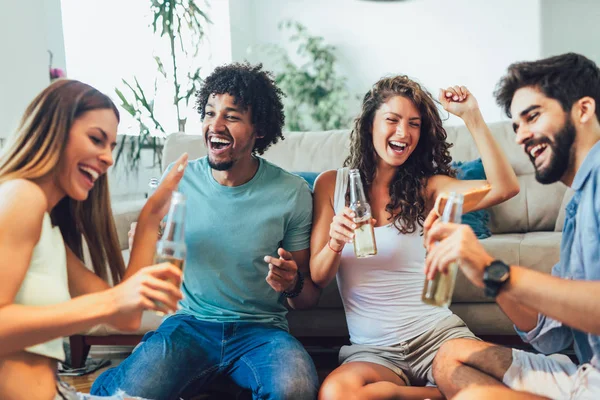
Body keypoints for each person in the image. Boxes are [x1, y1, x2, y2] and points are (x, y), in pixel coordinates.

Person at [92, 62, 321, 400]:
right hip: (189, 326)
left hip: (261, 332)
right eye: (210, 113)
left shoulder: (292, 192)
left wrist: (292, 283)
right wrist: (143, 243)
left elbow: (307, 298)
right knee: (125, 393)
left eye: (232, 116)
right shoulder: (178, 178)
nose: (216, 125)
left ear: (258, 130)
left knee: (296, 390)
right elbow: (152, 259)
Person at [310, 75, 520, 400]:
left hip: (436, 338)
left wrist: (472, 116)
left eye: (414, 124)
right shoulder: (331, 186)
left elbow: (505, 187)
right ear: (370, 126)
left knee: (482, 390)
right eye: (392, 120)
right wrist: (335, 242)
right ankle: (435, 393)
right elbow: (318, 276)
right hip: (373, 352)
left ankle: (414, 391)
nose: (403, 133)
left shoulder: (428, 189)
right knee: (336, 393)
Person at [427, 53, 600, 400]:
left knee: (474, 397)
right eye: (516, 126)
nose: (521, 136)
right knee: (449, 357)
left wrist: (498, 270)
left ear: (583, 110)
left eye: (532, 117)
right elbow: (554, 337)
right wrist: (487, 277)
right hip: (587, 369)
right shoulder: (577, 203)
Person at [0, 79, 186, 400]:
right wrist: (113, 300)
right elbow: (113, 304)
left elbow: (125, 318)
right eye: (96, 139)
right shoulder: (21, 196)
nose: (108, 158)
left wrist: (149, 219)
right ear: (53, 130)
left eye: (111, 146)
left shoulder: (49, 229)